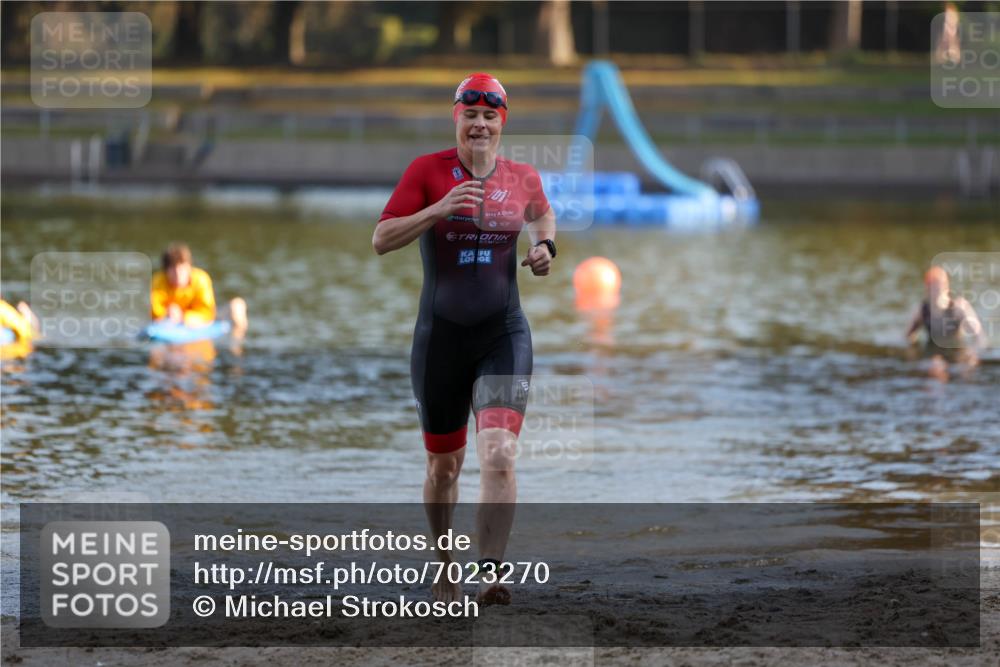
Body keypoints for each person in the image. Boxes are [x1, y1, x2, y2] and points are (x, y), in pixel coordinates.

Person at [373, 73, 556, 605]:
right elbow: (381, 238)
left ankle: (492, 574)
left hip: (503, 332)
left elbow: (542, 213)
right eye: (469, 115)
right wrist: (437, 209)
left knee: (499, 451)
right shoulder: (427, 172)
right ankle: (444, 562)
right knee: (444, 466)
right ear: (456, 118)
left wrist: (546, 247)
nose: (479, 124)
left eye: (489, 116)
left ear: (502, 122)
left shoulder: (521, 177)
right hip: (441, 340)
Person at [151, 243, 248, 338]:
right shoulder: (158, 281)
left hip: (204, 318)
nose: (178, 273)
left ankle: (237, 347)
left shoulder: (201, 279)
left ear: (189, 266)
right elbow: (154, 312)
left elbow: (207, 313)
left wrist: (183, 317)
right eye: (172, 268)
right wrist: (166, 314)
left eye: (182, 267)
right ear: (165, 271)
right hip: (170, 321)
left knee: (238, 305)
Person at [906, 266, 986, 373]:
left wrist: (973, 353)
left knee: (967, 368)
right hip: (932, 350)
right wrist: (914, 353)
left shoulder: (959, 308)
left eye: (940, 286)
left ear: (946, 287)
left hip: (957, 350)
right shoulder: (922, 311)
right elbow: (909, 337)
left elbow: (980, 337)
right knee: (932, 368)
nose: (937, 291)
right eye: (933, 287)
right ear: (927, 289)